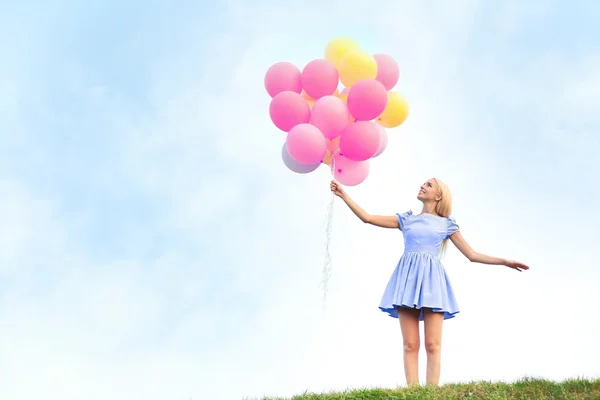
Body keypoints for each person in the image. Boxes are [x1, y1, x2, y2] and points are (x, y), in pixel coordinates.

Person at [329, 177, 529, 387]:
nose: (422, 186)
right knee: (410, 344)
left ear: (439, 196)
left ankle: (431, 393)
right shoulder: (406, 219)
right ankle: (414, 393)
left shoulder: (446, 224)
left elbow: (472, 254)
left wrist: (504, 261)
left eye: (429, 185)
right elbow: (367, 218)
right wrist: (344, 195)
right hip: (406, 282)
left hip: (433, 283)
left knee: (433, 344)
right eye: (423, 183)